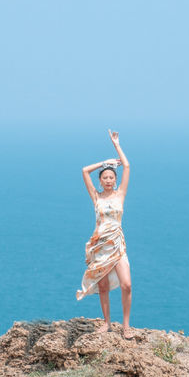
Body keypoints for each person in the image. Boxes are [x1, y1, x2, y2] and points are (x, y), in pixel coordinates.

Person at [76, 130, 133, 337]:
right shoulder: (96, 197)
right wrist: (104, 162)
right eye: (105, 177)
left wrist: (117, 144)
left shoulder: (120, 195)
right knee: (103, 287)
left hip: (117, 244)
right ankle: (107, 323)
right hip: (100, 245)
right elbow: (84, 170)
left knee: (126, 284)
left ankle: (126, 325)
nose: (108, 180)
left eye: (111, 177)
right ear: (100, 180)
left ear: (115, 180)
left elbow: (127, 166)